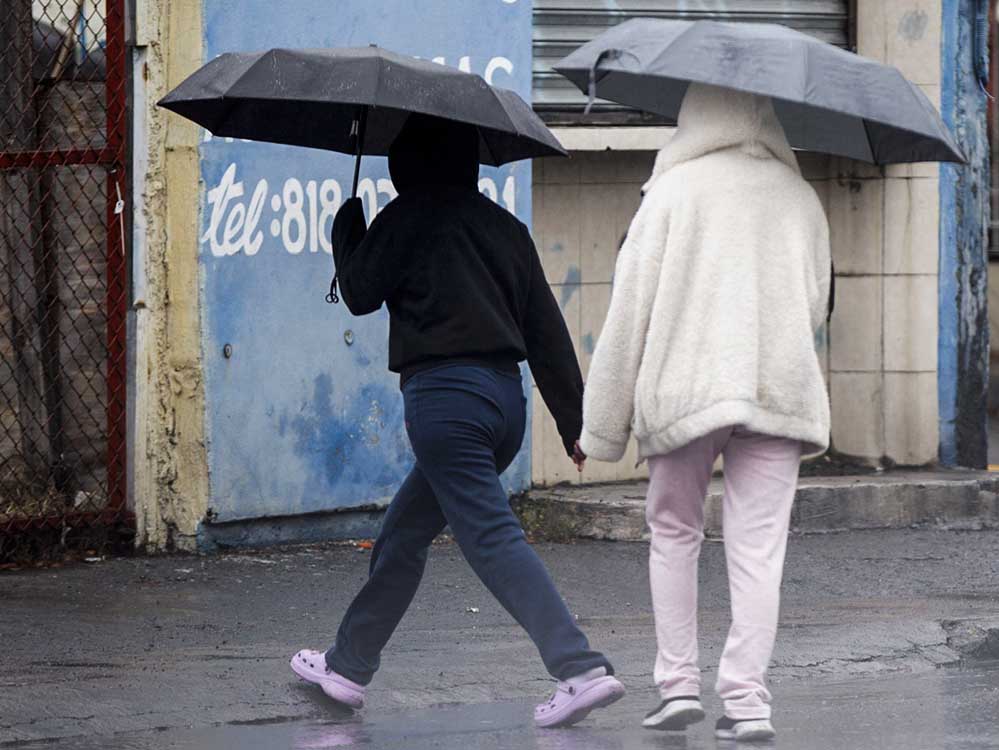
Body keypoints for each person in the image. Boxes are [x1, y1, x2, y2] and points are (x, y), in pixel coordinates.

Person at [291, 113, 624, 728]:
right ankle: (346, 666)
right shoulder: (506, 229)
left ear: (408, 162)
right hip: (504, 406)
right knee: (403, 535)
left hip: (444, 403)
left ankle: (580, 668)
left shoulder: (407, 216)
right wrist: (574, 423)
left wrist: (347, 230)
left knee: (491, 538)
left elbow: (360, 291)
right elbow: (547, 333)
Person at [580, 83, 831, 743]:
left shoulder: (670, 193)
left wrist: (601, 429)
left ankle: (678, 687)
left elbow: (629, 313)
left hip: (686, 391)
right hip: (778, 390)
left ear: (692, 115)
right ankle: (749, 703)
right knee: (757, 549)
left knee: (674, 533)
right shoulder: (800, 197)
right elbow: (814, 305)